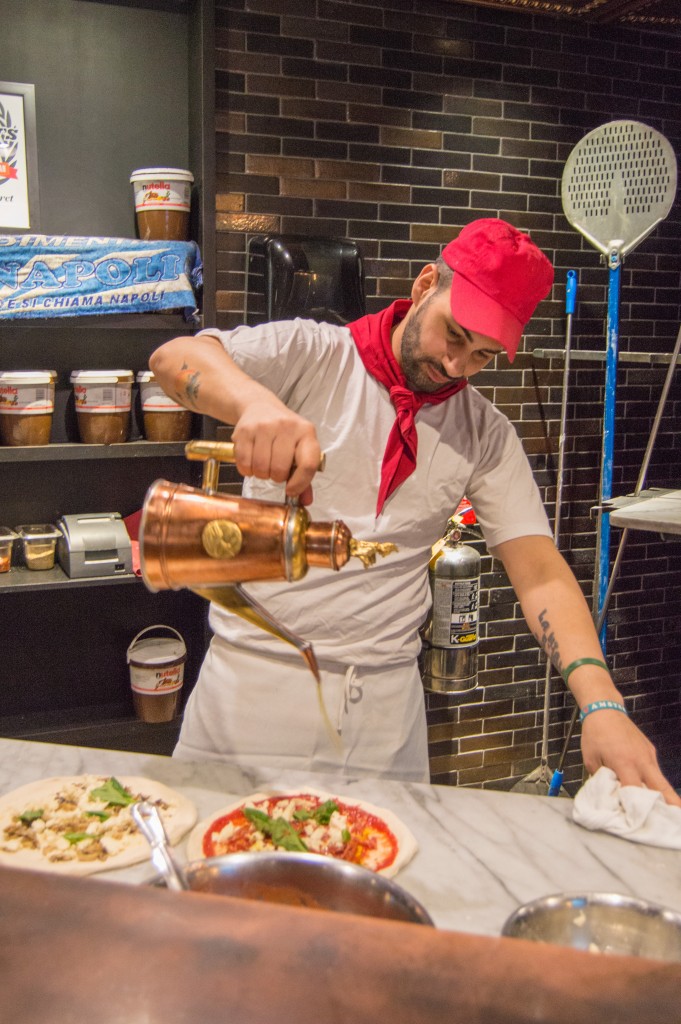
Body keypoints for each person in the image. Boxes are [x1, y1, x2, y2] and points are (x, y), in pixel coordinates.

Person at [149, 217, 680, 805]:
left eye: (481, 355)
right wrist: (253, 404)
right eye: (454, 335)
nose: (456, 366)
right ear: (426, 284)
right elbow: (175, 358)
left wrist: (601, 703)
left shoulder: (485, 434)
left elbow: (540, 572)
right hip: (253, 692)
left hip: (385, 718)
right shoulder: (313, 353)